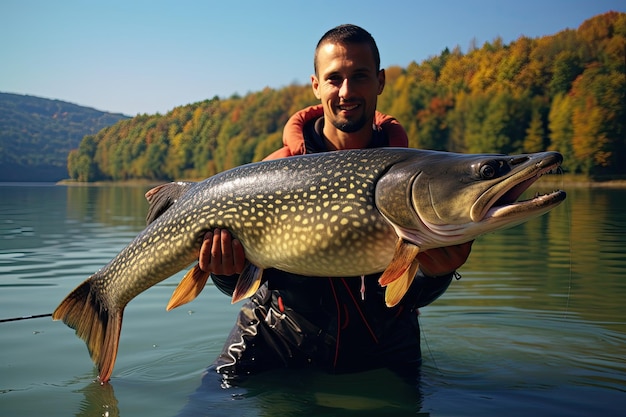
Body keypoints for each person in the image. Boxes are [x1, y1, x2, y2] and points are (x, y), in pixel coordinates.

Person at [199, 24, 473, 380]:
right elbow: (247, 280)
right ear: (316, 85)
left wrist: (439, 273)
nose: (346, 91)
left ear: (380, 81)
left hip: (384, 352)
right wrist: (225, 271)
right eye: (334, 78)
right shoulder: (272, 171)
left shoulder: (416, 179)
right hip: (275, 347)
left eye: (359, 76)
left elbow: (411, 296)